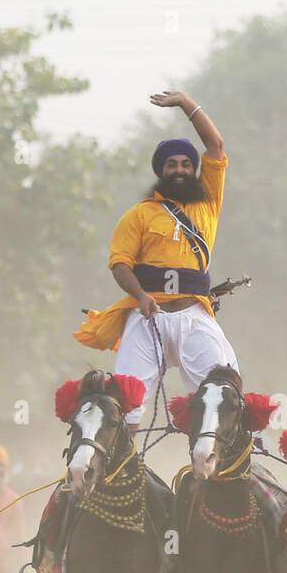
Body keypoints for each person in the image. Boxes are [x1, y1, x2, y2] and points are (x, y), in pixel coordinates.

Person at [73, 89, 237, 432]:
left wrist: (186, 103)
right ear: (162, 172)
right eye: (172, 165)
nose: (180, 169)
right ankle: (116, 474)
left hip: (195, 316)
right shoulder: (138, 215)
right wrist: (143, 296)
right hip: (147, 318)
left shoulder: (207, 204)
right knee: (124, 407)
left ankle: (229, 471)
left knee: (223, 394)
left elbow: (216, 146)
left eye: (186, 164)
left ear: (194, 171)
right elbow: (120, 264)